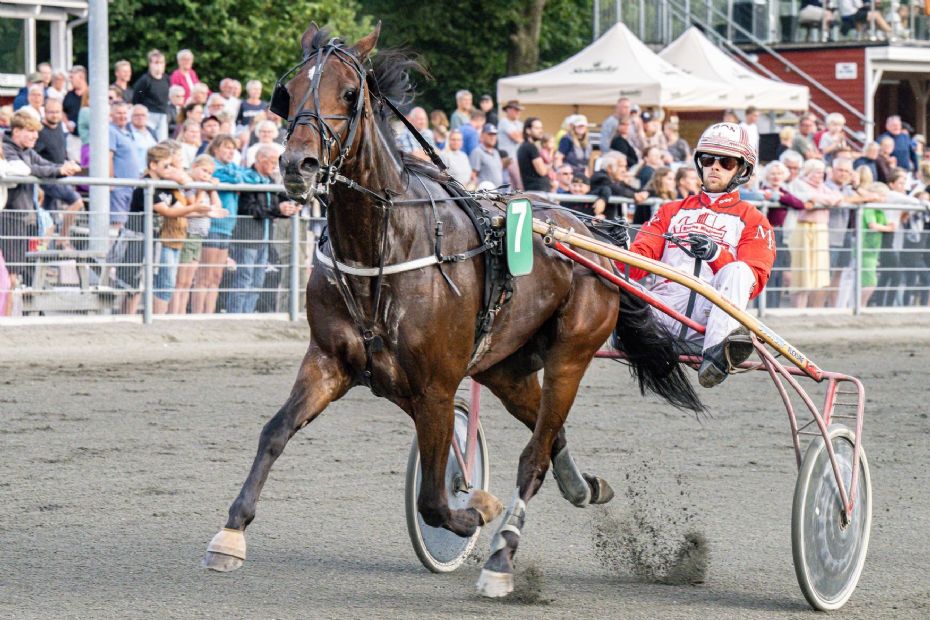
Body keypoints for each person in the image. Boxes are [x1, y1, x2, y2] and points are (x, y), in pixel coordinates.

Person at [626, 122, 774, 388]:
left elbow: (754, 280)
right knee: (614, 271)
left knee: (739, 270)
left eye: (726, 162)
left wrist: (716, 254)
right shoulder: (670, 210)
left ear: (742, 170)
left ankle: (717, 356)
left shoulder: (754, 220)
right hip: (661, 317)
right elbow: (637, 263)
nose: (714, 167)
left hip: (708, 324)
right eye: (708, 159)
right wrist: (619, 251)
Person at [1, 111, 81, 284]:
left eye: (36, 131)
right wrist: (59, 170)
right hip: (11, 218)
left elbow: (44, 165)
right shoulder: (5, 148)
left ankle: (29, 308)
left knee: (32, 268)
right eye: (31, 131)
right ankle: (10, 310)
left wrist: (64, 167)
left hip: (29, 218)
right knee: (12, 274)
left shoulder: (28, 151)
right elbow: (27, 169)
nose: (36, 136)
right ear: (16, 131)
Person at [228, 146, 300, 313]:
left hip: (265, 239)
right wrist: (278, 210)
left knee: (258, 280)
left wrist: (291, 207)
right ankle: (235, 315)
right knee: (244, 278)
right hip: (248, 238)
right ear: (260, 160)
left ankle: (247, 315)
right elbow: (249, 209)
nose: (275, 166)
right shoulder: (248, 179)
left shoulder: (270, 181)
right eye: (272, 162)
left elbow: (281, 202)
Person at [194, 135, 249, 314]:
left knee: (217, 276)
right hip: (212, 225)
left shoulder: (232, 168)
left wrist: (234, 176)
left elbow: (242, 178)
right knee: (205, 275)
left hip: (227, 226)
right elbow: (224, 177)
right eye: (226, 147)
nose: (231, 151)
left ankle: (209, 315)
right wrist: (234, 177)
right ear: (215, 149)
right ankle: (197, 315)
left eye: (233, 148)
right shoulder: (211, 167)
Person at [171, 154, 224, 314]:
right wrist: (202, 190)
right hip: (188, 234)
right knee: (180, 280)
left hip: (199, 236)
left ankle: (181, 314)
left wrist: (212, 190)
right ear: (194, 167)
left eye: (209, 173)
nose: (206, 175)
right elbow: (194, 206)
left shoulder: (204, 187)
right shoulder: (190, 186)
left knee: (188, 281)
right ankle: (175, 313)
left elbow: (218, 207)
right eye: (203, 170)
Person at [788, 158, 843, 308]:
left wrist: (822, 201)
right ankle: (798, 308)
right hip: (805, 228)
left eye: (821, 173)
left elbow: (837, 197)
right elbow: (810, 198)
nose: (820, 176)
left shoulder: (822, 186)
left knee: (818, 272)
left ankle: (811, 308)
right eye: (817, 172)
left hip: (820, 229)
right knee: (802, 272)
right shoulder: (799, 183)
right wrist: (824, 200)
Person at [34, 98, 84, 244]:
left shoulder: (60, 128)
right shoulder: (40, 131)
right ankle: (62, 238)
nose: (54, 115)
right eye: (51, 112)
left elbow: (58, 153)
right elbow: (34, 156)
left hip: (59, 175)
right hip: (48, 179)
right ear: (44, 112)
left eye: (57, 112)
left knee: (48, 222)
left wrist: (69, 163)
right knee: (77, 202)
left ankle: (42, 254)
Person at [759, 161, 805, 308]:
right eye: (772, 173)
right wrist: (773, 196)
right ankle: (764, 305)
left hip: (779, 234)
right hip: (765, 234)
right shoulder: (763, 190)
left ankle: (774, 305)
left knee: (779, 272)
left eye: (779, 174)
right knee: (769, 272)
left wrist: (779, 197)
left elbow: (799, 204)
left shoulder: (783, 192)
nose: (776, 177)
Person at [588, 152, 649, 221]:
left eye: (625, 166)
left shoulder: (616, 181)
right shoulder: (599, 177)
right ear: (609, 168)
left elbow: (634, 190)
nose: (624, 170)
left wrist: (644, 193)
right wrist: (634, 195)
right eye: (621, 166)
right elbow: (612, 187)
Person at [132, 50, 171, 140]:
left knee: (162, 140)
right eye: (156, 62)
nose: (159, 65)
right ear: (150, 64)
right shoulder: (145, 80)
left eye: (161, 62)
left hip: (163, 113)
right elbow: (138, 95)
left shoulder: (166, 79)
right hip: (149, 113)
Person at [517, 117, 552, 192]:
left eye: (541, 128)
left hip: (535, 191)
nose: (541, 131)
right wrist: (549, 166)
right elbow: (542, 171)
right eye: (537, 128)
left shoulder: (524, 147)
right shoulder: (531, 147)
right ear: (528, 130)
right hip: (538, 192)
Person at [469, 123, 503, 189]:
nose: (493, 137)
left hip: (498, 193)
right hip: (485, 194)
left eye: (494, 134)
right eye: (490, 134)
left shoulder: (496, 152)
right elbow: (473, 176)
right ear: (482, 136)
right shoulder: (477, 152)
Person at [127, 105, 158, 176]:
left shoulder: (151, 131)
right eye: (136, 115)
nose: (140, 117)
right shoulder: (126, 131)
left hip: (150, 173)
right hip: (134, 173)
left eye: (143, 115)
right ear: (131, 117)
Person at [62, 66, 87, 137]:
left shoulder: (91, 95)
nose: (70, 80)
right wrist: (67, 123)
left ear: (81, 77)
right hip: (72, 136)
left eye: (72, 77)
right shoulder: (69, 95)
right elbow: (63, 111)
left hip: (88, 136)